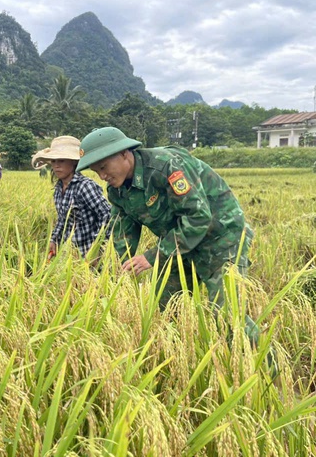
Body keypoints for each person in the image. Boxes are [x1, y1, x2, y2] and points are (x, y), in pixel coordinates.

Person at [77, 126, 260, 343]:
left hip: (220, 238)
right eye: (97, 172)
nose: (103, 176)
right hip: (178, 241)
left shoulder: (166, 166)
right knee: (165, 305)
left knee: (229, 315)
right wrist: (115, 269)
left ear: (124, 154)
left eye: (104, 167)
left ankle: (266, 369)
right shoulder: (117, 191)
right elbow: (122, 234)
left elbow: (198, 218)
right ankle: (180, 355)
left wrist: (152, 257)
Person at [31, 135, 112, 261]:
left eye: (62, 160)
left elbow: (107, 215)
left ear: (73, 162)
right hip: (69, 255)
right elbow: (63, 220)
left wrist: (97, 248)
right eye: (54, 161)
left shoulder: (85, 186)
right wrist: (54, 239)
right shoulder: (58, 190)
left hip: (89, 255)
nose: (56, 165)